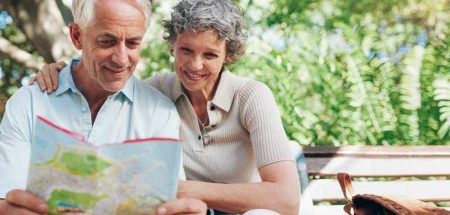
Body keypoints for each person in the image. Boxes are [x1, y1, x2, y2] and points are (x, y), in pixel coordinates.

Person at [33, 0, 300, 214]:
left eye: (210, 54)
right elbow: (104, 80)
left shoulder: (251, 96)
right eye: (186, 50)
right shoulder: (156, 93)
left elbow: (286, 200)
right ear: (173, 45)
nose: (195, 65)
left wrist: (180, 189)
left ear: (227, 55)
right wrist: (62, 71)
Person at [0, 0, 206, 214]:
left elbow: (167, 203)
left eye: (133, 43)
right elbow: (6, 196)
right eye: (107, 41)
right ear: (77, 37)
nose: (121, 59)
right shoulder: (30, 102)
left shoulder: (159, 114)